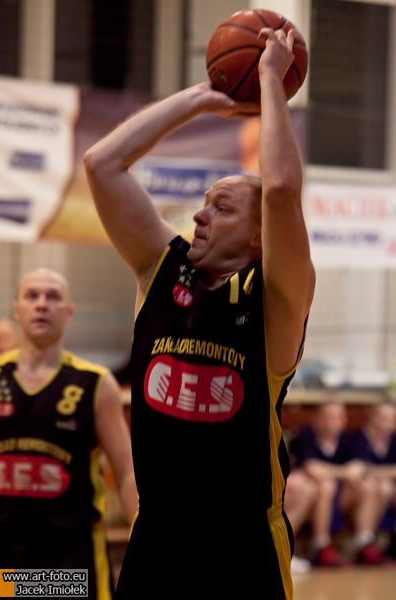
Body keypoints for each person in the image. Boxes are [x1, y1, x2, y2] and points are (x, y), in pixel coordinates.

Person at [84, 27, 315, 599]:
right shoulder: (160, 271)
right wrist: (200, 99)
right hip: (155, 540)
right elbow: (101, 163)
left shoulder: (274, 301)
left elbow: (281, 190)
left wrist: (268, 80)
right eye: (204, 203)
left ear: (260, 236)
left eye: (222, 207)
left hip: (241, 547)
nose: (199, 216)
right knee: (30, 589)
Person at [0, 268, 138, 600]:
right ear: (17, 309)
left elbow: (127, 471)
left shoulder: (95, 383)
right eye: (32, 296)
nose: (41, 304)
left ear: (69, 312)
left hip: (68, 558)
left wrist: (146, 539)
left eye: (53, 297)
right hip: (3, 555)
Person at [289, 402, 384, 566]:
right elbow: (312, 469)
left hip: (337, 500)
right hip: (310, 496)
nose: (333, 421)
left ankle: (364, 542)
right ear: (317, 418)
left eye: (338, 417)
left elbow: (360, 466)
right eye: (328, 417)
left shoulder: (346, 439)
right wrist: (343, 472)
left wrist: (345, 472)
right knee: (326, 486)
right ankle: (320, 545)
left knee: (369, 485)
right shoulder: (305, 435)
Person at [348, 401, 396, 559]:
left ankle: (375, 541)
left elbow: (370, 469)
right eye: (383, 417)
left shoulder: (392, 441)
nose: (387, 422)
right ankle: (364, 541)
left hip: (381, 490)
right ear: (372, 417)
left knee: (385, 487)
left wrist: (376, 472)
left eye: (391, 418)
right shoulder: (358, 438)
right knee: (376, 486)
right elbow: (359, 470)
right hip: (352, 491)